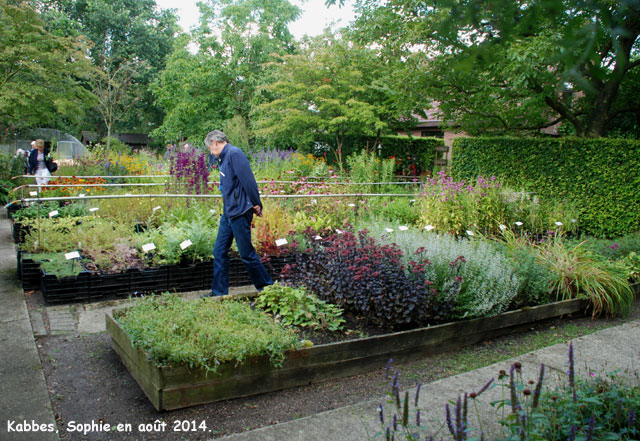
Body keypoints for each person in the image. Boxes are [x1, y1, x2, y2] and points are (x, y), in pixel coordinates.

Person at [203, 130, 273, 297]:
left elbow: (249, 181)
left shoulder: (235, 153)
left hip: (240, 212)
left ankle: (268, 289)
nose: (211, 153)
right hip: (228, 213)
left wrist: (257, 204)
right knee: (219, 251)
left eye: (210, 149)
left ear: (215, 142)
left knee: (246, 254)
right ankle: (219, 292)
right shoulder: (223, 157)